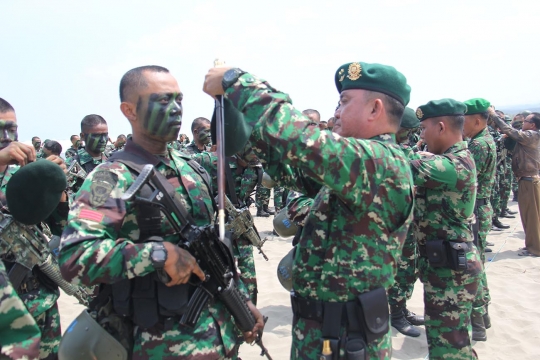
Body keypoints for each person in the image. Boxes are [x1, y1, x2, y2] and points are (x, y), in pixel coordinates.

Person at [203, 61, 414, 359]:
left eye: (344, 102)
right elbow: (288, 164)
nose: (337, 112)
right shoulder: (354, 169)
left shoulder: (380, 163)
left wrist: (234, 80)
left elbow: (301, 139)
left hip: (346, 337)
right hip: (322, 332)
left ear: (374, 109)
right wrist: (233, 116)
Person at [58, 65, 264, 359]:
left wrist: (240, 302)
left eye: (179, 99)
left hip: (220, 338)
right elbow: (74, 256)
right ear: (129, 110)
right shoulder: (109, 178)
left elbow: (216, 253)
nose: (176, 109)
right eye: (163, 100)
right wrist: (157, 255)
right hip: (158, 344)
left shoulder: (192, 167)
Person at [409, 99, 482, 359]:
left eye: (423, 129)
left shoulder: (455, 165)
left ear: (440, 127)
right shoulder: (445, 160)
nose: (421, 136)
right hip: (443, 267)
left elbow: (399, 164)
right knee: (450, 343)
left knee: (449, 349)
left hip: (452, 273)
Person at [0, 97, 68, 360]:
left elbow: (60, 226)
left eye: (12, 129)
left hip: (41, 304)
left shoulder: (25, 173)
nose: (8, 137)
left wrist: (56, 188)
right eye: (0, 129)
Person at [388, 107, 424, 337]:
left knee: (408, 268)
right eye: (407, 132)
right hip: (394, 225)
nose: (409, 137)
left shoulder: (405, 149)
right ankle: (396, 315)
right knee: (400, 269)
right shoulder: (391, 151)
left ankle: (400, 309)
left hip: (408, 222)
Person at [463, 98, 497, 341]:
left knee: (472, 265)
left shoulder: (478, 145)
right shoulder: (482, 139)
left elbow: (466, 180)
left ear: (477, 120)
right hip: (481, 208)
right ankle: (482, 316)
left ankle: (477, 322)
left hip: (475, 209)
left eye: (463, 120)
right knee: (477, 262)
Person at [490, 110, 540, 256]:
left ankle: (535, 248)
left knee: (531, 217)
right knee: (528, 215)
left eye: (525, 122)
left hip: (529, 180)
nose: (522, 124)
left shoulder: (532, 135)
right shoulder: (532, 136)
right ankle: (532, 245)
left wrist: (494, 116)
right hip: (528, 179)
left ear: (532, 125)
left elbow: (510, 131)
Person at [65, 114, 109, 194]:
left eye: (105, 135)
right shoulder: (71, 165)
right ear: (82, 136)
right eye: (96, 136)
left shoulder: (113, 161)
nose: (103, 140)